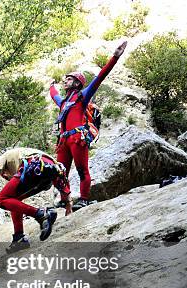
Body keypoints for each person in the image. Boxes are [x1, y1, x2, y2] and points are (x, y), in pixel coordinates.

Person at [50, 41, 127, 210]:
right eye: (66, 79)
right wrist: (51, 86)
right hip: (64, 141)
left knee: (82, 171)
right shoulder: (63, 102)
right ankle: (65, 198)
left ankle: (84, 199)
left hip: (77, 138)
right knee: (58, 173)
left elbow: (100, 78)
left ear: (77, 83)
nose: (66, 81)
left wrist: (114, 57)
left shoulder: (82, 96)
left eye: (70, 79)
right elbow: (54, 95)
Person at [0, 148, 71, 252]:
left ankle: (40, 214)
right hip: (49, 173)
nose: (7, 178)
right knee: (13, 200)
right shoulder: (26, 152)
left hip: (32, 167)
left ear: (4, 172)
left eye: (5, 177)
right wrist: (68, 203)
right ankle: (19, 238)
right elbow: (60, 177)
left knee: (1, 200)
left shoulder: (4, 157)